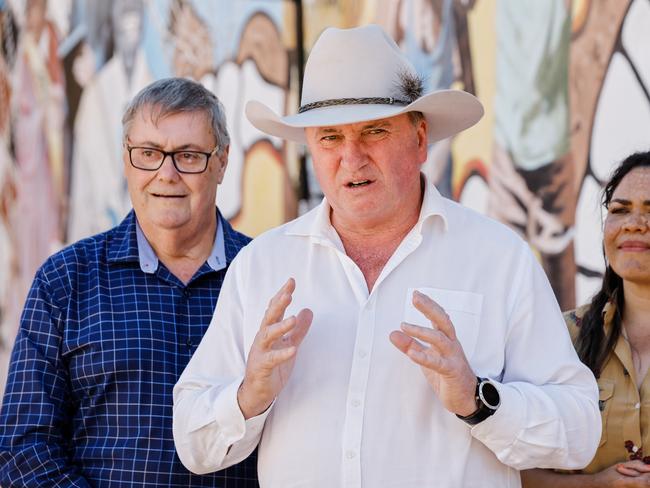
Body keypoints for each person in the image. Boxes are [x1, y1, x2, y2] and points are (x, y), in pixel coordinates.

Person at [173, 25, 600, 487]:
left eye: (373, 131)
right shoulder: (262, 265)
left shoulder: (499, 259)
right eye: (330, 138)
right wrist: (247, 398)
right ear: (310, 150)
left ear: (419, 139)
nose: (351, 158)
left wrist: (477, 401)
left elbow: (578, 432)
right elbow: (194, 443)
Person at [0, 78, 258, 487]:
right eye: (149, 154)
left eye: (189, 156)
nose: (166, 174)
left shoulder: (268, 275)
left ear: (222, 161)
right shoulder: (66, 280)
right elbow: (23, 448)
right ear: (126, 159)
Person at [522, 152, 650, 486]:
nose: (634, 223)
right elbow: (511, 469)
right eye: (620, 210)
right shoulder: (560, 337)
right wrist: (593, 485)